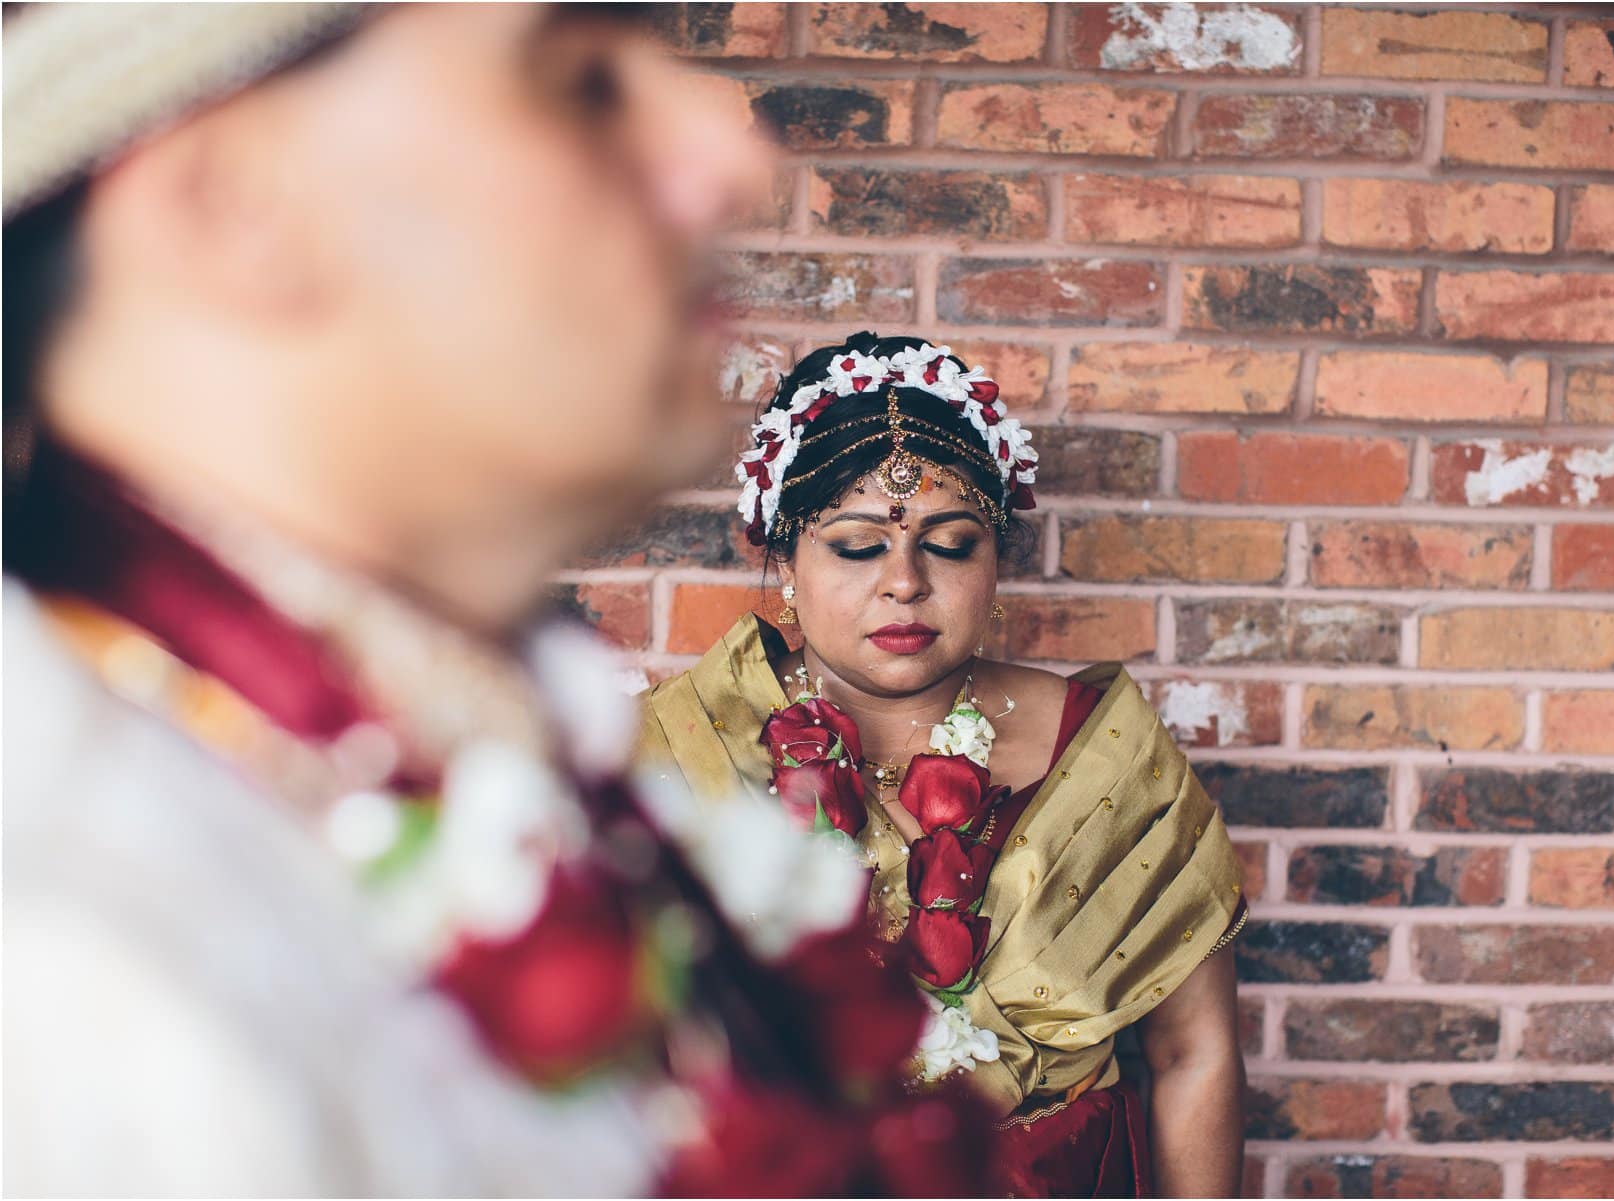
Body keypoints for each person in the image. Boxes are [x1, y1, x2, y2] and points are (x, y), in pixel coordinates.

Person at [3, 7, 990, 1195]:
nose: (732, 160)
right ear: (230, 201)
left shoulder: (491, 762)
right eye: (576, 81)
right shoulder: (69, 945)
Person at [639, 331, 1250, 1198]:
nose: (904, 580)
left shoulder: (1102, 753)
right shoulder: (680, 749)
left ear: (996, 558)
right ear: (788, 559)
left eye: (951, 542)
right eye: (856, 546)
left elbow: (1195, 1051)